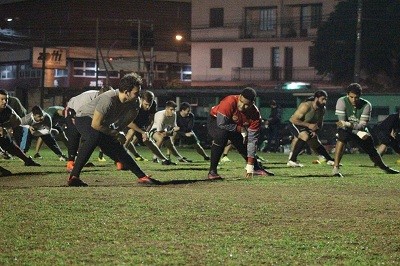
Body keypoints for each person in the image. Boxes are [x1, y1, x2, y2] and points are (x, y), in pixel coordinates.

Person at [68, 72, 160, 186]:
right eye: (136, 93)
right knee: (94, 136)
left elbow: (123, 123)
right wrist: (115, 133)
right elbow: (96, 125)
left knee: (116, 146)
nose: (138, 95)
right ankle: (74, 177)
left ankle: (143, 177)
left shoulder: (135, 103)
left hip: (102, 123)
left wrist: (117, 133)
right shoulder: (108, 99)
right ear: (126, 92)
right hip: (84, 118)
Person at [332, 83, 399, 177]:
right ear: (347, 95)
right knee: (342, 136)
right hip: (346, 129)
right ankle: (335, 168)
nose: (354, 100)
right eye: (351, 97)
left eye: (356, 97)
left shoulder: (366, 105)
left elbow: (362, 125)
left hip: (360, 131)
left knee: (372, 151)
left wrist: (354, 128)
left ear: (360, 96)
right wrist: (356, 131)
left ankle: (384, 168)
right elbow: (341, 123)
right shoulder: (341, 101)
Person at [207, 87, 274, 180]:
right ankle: (212, 172)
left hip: (234, 125)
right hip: (215, 120)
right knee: (222, 136)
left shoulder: (255, 115)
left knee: (243, 144)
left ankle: (256, 168)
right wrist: (241, 129)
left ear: (252, 103)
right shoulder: (229, 102)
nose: (242, 106)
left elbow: (252, 141)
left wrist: (250, 165)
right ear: (239, 97)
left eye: (246, 105)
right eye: (241, 102)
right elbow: (221, 123)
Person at [65, 86, 111, 172]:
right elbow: (78, 112)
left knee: (92, 137)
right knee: (75, 134)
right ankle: (70, 162)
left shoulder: (109, 100)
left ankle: (80, 160)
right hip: (74, 110)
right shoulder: (87, 98)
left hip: (88, 114)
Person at [123, 90, 176, 165]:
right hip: (127, 123)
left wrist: (146, 132)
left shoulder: (153, 104)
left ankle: (164, 160)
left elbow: (151, 120)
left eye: (149, 104)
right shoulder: (134, 104)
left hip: (140, 125)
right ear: (141, 100)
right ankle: (120, 158)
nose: (148, 107)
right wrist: (142, 132)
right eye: (146, 104)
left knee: (148, 141)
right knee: (131, 132)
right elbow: (129, 123)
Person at [287, 90, 335, 167]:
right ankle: (292, 160)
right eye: (323, 99)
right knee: (304, 135)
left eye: (326, 99)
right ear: (316, 98)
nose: (325, 101)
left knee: (315, 141)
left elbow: (319, 123)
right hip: (295, 124)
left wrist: (315, 131)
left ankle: (329, 159)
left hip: (306, 126)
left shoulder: (322, 109)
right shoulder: (306, 106)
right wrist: (309, 125)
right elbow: (294, 120)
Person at [0, 89, 40, 170]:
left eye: (6, 99)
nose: (4, 102)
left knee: (10, 144)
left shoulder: (8, 110)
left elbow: (18, 121)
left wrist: (5, 127)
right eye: (1, 99)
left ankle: (27, 161)